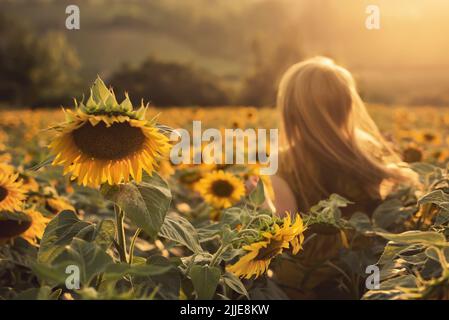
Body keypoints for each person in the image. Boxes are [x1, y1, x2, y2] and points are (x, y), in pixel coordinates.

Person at [249, 56, 416, 298]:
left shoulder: (283, 164)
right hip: (368, 277)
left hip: (309, 286)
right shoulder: (368, 151)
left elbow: (284, 233)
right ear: (348, 106)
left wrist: (260, 200)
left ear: (291, 112)